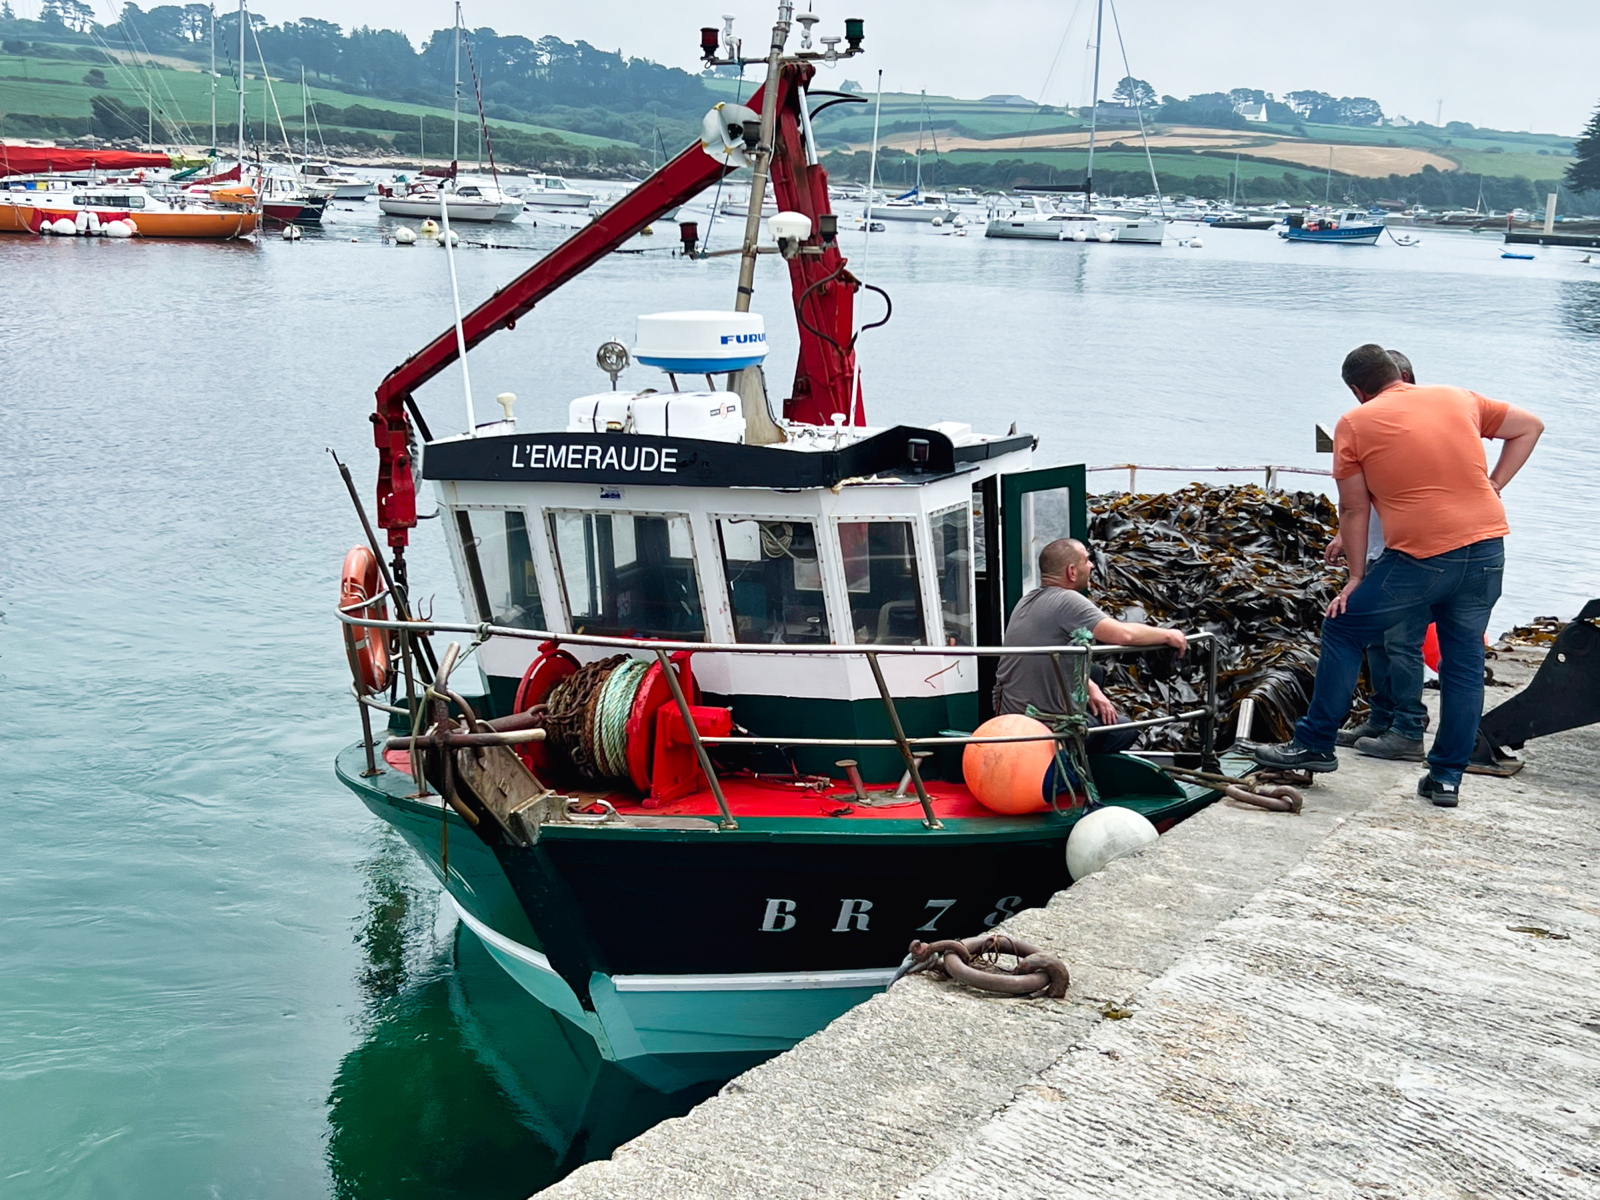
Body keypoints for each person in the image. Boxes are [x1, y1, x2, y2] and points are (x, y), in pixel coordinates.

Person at [1250, 344, 1544, 806]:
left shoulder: (1354, 422)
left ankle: (1314, 742)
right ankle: (1446, 778)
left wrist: (1355, 577)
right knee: (1463, 664)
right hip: (1488, 550)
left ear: (1355, 389)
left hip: (1422, 559)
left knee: (1344, 628)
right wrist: (1495, 483)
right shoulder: (1458, 397)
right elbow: (1530, 427)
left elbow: (1354, 506)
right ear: (1400, 375)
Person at [1325, 348, 1429, 761]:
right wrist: (1343, 537)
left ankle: (1408, 727)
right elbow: (1359, 497)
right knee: (1376, 643)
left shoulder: (1417, 428)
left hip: (1408, 554)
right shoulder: (1370, 425)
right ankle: (1381, 717)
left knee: (1403, 644)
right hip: (1374, 552)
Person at [994, 538, 1188, 753]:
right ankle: (1071, 766)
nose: (1092, 565)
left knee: (1094, 673)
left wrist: (1092, 688)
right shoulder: (1068, 600)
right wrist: (1169, 635)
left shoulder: (1027, 600)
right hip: (1043, 728)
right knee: (1125, 729)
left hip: (1012, 716)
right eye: (1086, 560)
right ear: (1072, 571)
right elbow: (1123, 635)